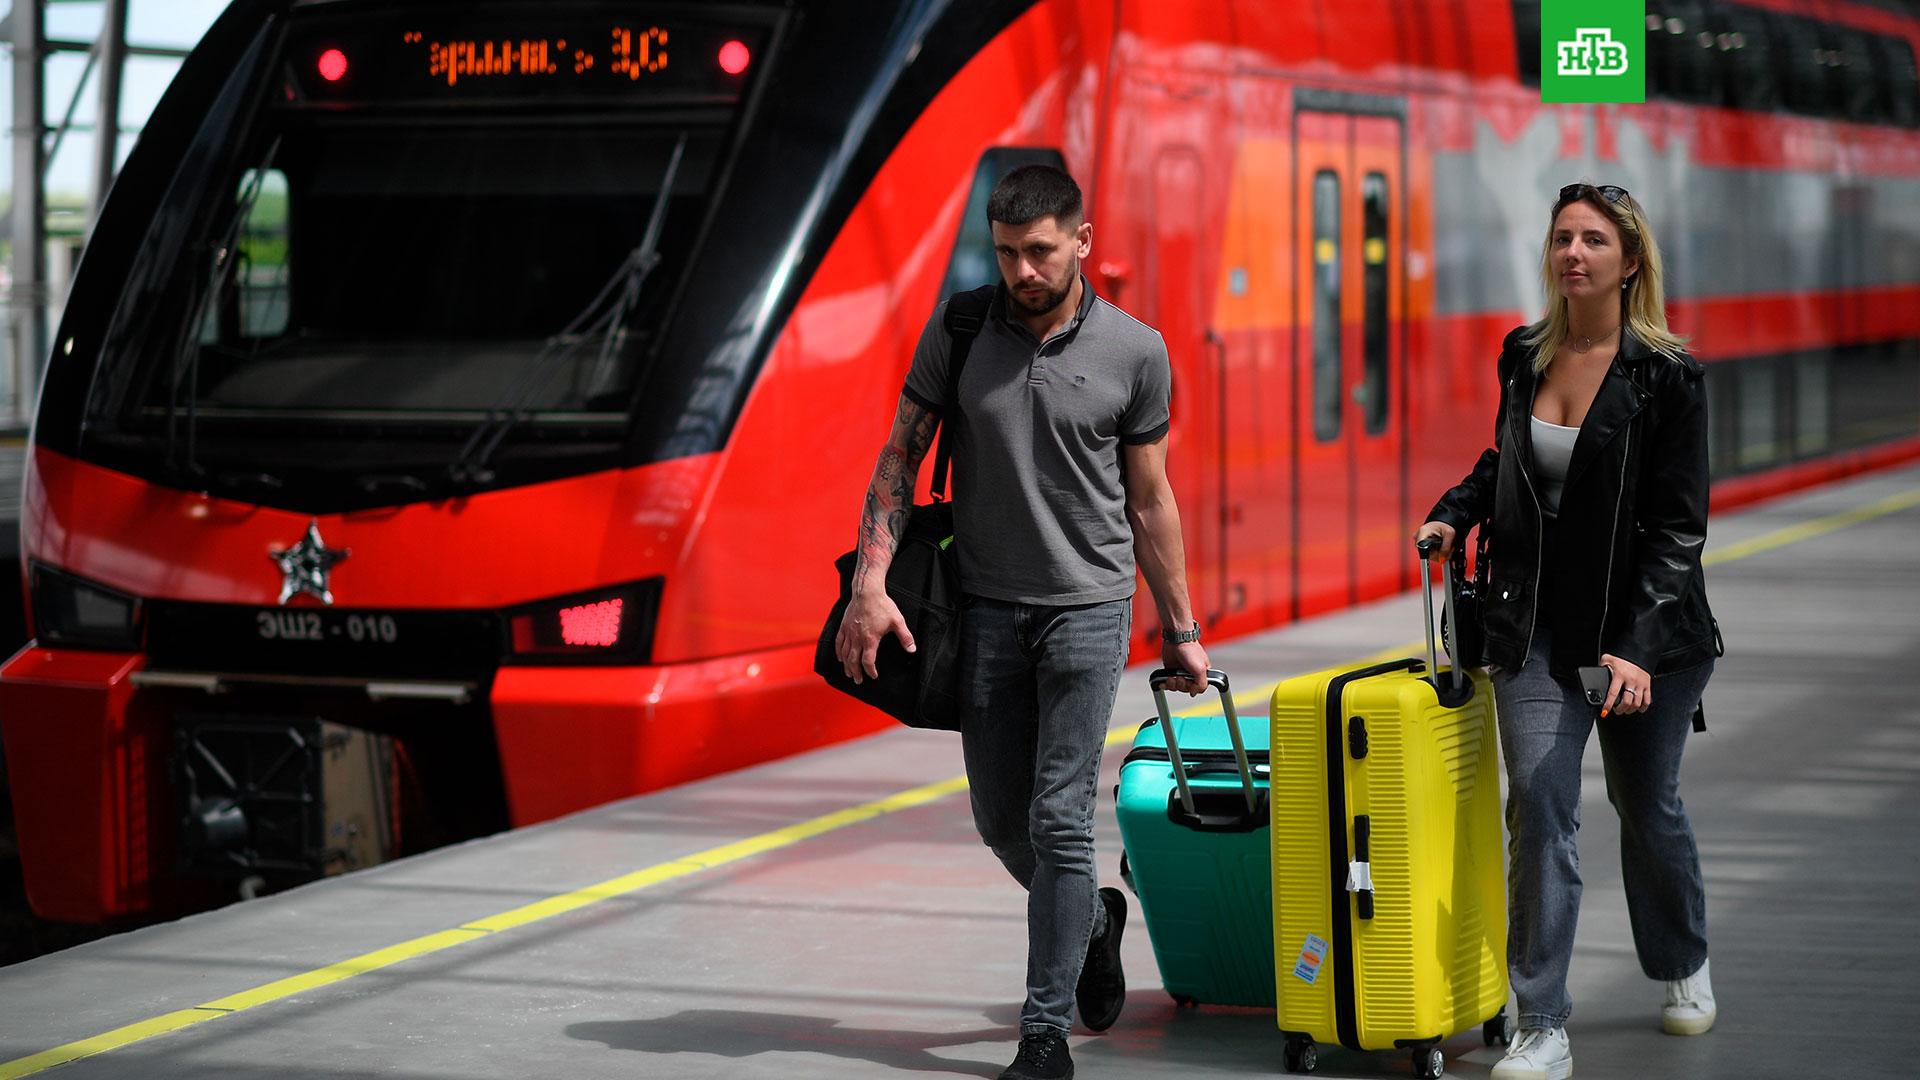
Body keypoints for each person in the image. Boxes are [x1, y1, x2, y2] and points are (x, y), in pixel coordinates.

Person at [834, 164, 1209, 1080]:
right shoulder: (961, 328)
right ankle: (1093, 923)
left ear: (1082, 241)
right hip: (988, 609)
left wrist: (1182, 626)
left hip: (1089, 609)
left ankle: (1044, 1037)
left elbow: (1150, 499)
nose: (1023, 271)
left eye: (1040, 251)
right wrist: (869, 584)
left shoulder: (1136, 351)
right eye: (1006, 253)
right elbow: (899, 457)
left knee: (1059, 819)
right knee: (1003, 822)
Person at [1417, 182, 1722, 1080]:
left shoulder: (1667, 377)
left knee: (1644, 803)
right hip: (1536, 631)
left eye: (1592, 240)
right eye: (1562, 238)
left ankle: (1682, 958)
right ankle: (1542, 1022)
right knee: (1541, 803)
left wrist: (1635, 647)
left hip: (1643, 641)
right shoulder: (1525, 354)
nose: (1573, 254)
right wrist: (1456, 511)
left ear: (1629, 262)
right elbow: (1509, 461)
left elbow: (1678, 529)